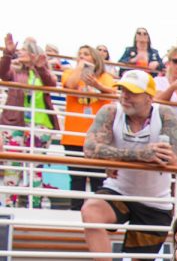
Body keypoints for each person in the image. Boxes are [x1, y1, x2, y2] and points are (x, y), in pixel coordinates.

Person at [81, 70, 177, 261]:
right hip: (120, 190)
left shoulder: (165, 115)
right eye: (122, 90)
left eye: (132, 92)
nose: (125, 96)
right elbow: (89, 148)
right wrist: (140, 155)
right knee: (90, 211)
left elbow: (172, 157)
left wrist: (115, 157)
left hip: (155, 202)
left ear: (149, 97)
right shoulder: (110, 112)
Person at [0, 34, 59, 207]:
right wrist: (7, 54)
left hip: (40, 124)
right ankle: (9, 205)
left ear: (33, 54)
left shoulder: (43, 72)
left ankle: (35, 203)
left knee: (35, 166)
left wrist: (39, 67)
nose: (20, 52)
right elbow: (2, 73)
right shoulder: (15, 71)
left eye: (24, 50)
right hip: (14, 122)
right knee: (12, 165)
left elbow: (51, 84)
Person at [61, 45, 116, 198]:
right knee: (77, 178)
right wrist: (80, 67)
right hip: (74, 135)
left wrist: (96, 84)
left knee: (97, 179)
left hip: (98, 137)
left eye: (86, 54)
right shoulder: (69, 73)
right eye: (79, 54)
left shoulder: (105, 77)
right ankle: (76, 209)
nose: (82, 56)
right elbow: (70, 84)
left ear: (95, 58)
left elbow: (112, 92)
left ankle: (97, 209)